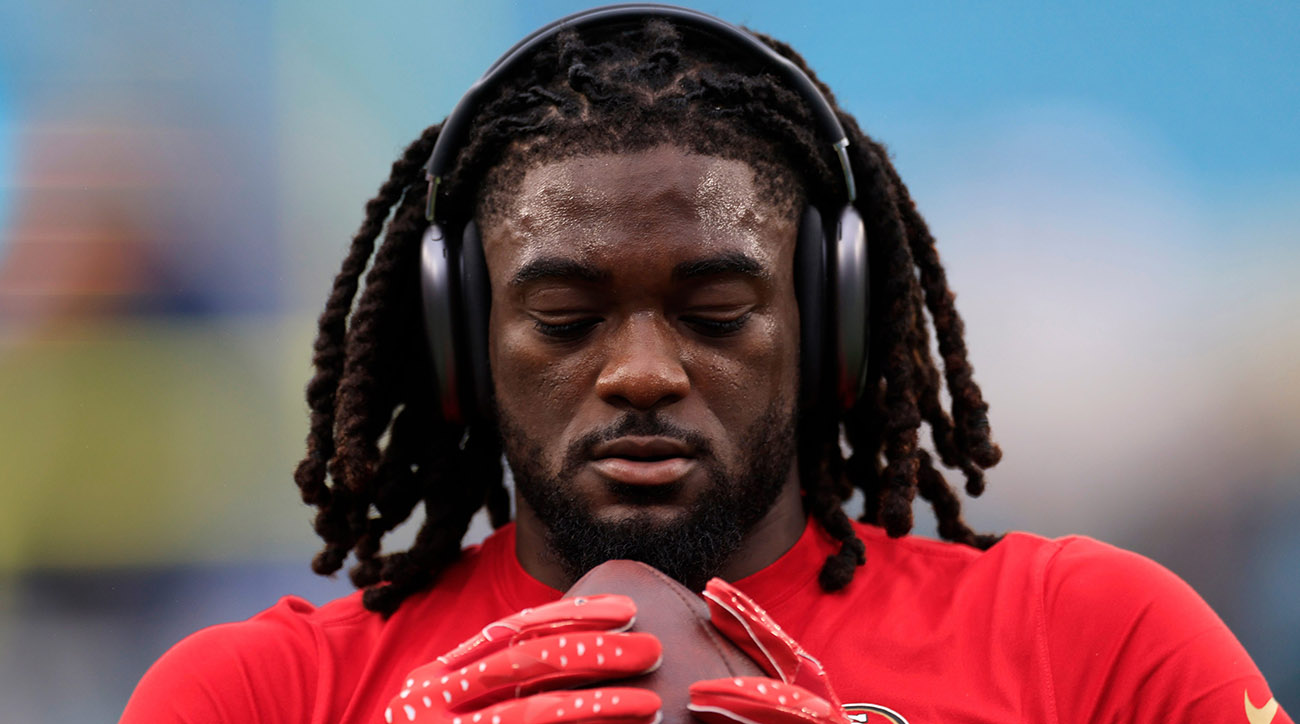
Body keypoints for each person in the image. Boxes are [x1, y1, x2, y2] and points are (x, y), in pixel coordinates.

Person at [121, 5, 1290, 724]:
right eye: (567, 319)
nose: (639, 371)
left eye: (717, 312)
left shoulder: (1092, 644)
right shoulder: (256, 697)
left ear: (825, 322)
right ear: (459, 341)